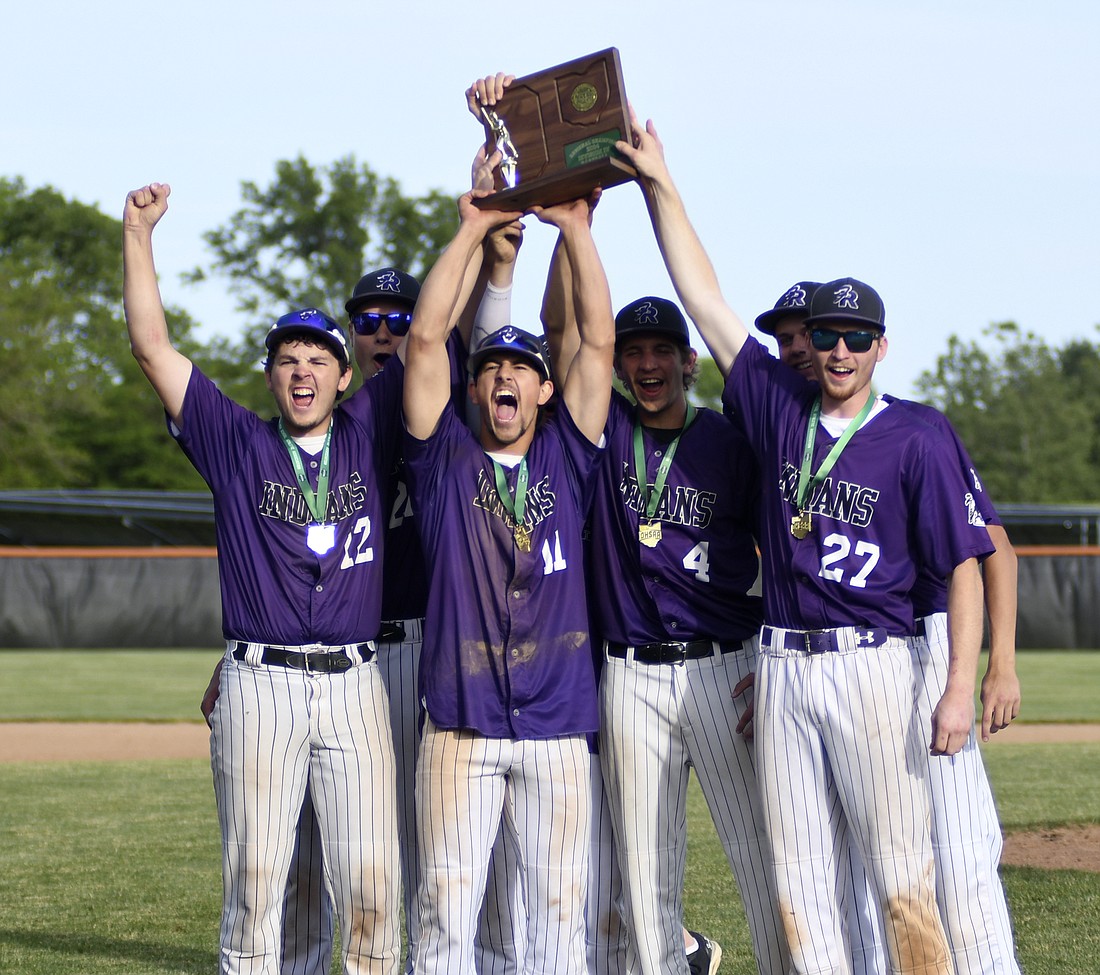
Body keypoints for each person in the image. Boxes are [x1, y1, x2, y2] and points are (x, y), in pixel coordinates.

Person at [616, 116, 996, 975]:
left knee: (904, 876)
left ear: (881, 346)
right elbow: (706, 301)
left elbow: (965, 566)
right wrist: (659, 184)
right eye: (826, 334)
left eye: (857, 337)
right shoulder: (779, 406)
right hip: (786, 665)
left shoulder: (917, 436)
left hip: (876, 661)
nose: (839, 350)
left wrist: (958, 689)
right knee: (801, 884)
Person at [124, 182, 401, 975]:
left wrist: (480, 221)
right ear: (271, 376)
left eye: (319, 358)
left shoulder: (369, 430)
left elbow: (432, 338)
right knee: (254, 889)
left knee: (372, 891)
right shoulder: (235, 440)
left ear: (345, 377)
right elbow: (152, 346)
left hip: (355, 684)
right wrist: (138, 234)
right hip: (259, 684)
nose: (303, 370)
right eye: (287, 359)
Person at [757, 283, 1024, 974]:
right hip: (841, 658)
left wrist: (997, 666)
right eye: (791, 338)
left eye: (800, 335)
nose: (798, 350)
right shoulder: (790, 420)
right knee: (853, 861)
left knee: (956, 850)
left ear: (874, 344)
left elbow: (991, 544)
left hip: (923, 636)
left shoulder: (911, 431)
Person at [402, 180, 614, 974]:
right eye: (492, 365)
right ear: (475, 386)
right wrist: (475, 226)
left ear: (543, 389)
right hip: (461, 724)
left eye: (522, 368)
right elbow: (425, 342)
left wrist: (575, 229)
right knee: (447, 914)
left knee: (559, 920)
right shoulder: (444, 461)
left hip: (559, 724)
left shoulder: (567, 455)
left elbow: (597, 343)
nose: (505, 378)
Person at [558, 287, 789, 975]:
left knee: (762, 854)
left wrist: (774, 660)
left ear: (690, 361)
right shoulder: (603, 435)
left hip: (725, 666)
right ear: (620, 365)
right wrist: (575, 229)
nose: (649, 363)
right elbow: (570, 343)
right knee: (644, 869)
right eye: (634, 352)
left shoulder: (728, 441)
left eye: (663, 349)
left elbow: (782, 551)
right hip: (630, 671)